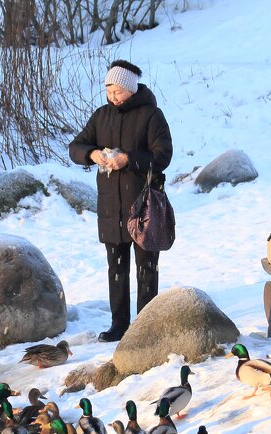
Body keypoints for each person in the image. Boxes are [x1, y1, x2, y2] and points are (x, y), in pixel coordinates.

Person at [69, 60, 173, 342]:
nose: (112, 97)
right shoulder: (101, 116)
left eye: (117, 92)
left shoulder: (152, 115)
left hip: (143, 205)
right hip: (110, 206)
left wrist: (130, 158)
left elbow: (163, 156)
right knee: (116, 268)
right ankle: (119, 324)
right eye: (108, 91)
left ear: (130, 89)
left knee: (146, 268)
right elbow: (75, 147)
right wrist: (92, 154)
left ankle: (146, 326)